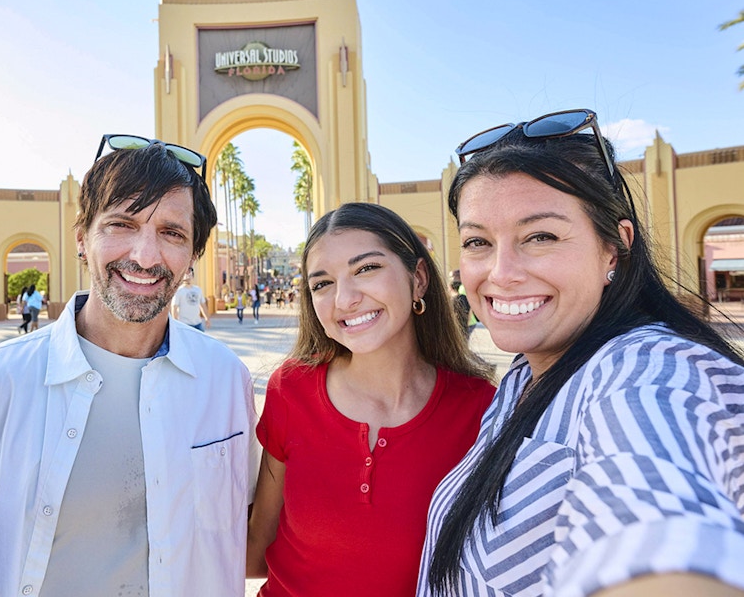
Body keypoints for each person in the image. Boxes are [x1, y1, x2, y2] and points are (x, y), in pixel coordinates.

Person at [418, 109, 744, 597]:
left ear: (615, 248)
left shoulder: (643, 371)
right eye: (478, 241)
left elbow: (656, 527)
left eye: (541, 236)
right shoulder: (523, 375)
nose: (501, 272)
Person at [0, 134, 257, 596]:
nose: (144, 255)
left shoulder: (225, 379)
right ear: (82, 239)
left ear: (194, 255)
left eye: (172, 233)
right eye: (121, 224)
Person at [247, 202, 497, 597]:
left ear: (417, 279)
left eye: (366, 269)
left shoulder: (481, 410)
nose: (344, 299)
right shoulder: (290, 390)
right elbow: (256, 550)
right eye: (322, 284)